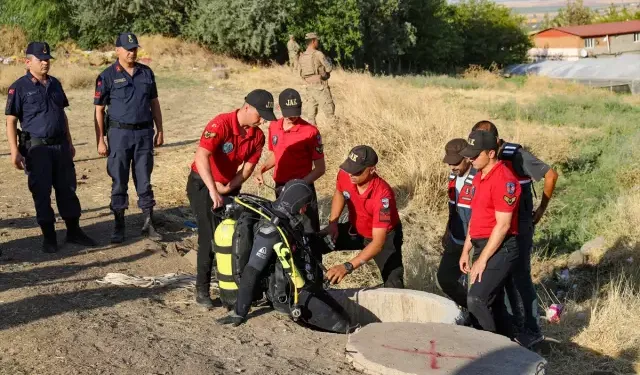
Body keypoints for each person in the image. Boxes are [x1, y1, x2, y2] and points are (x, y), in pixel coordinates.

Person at [216, 180, 351, 333]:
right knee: (343, 324)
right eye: (304, 205)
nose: (305, 209)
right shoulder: (271, 231)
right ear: (295, 204)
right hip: (285, 297)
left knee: (342, 316)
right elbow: (252, 270)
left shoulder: (286, 218)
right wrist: (239, 312)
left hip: (300, 285)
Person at [472, 120, 559, 347]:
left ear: (497, 143)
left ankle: (532, 328)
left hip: (518, 226)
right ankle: (514, 323)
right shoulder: (482, 162)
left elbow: (551, 174)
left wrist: (541, 208)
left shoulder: (516, 155)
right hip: (499, 226)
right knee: (503, 277)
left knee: (520, 276)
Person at [186, 89, 274, 308]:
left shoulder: (257, 136)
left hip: (227, 187)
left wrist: (227, 189)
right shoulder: (221, 124)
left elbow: (247, 170)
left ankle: (233, 287)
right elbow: (201, 156)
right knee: (209, 237)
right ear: (247, 107)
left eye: (265, 116)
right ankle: (202, 290)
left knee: (235, 235)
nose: (262, 120)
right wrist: (213, 190)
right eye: (260, 114)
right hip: (202, 183)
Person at [5, 41, 96, 253]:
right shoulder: (18, 88)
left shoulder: (55, 83)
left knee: (68, 189)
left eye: (47, 59)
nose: (45, 63)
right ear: (28, 62)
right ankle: (49, 236)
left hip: (60, 146)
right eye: (41, 60)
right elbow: (11, 121)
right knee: (42, 192)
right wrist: (14, 151)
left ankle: (74, 230)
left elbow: (62, 115)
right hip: (38, 149)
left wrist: (70, 142)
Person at [94, 32, 165, 244]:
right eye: (127, 49)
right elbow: (99, 110)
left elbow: (154, 103)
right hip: (119, 134)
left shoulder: (146, 73)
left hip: (144, 134)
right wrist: (100, 139)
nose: (132, 52)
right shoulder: (106, 76)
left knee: (144, 179)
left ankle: (148, 223)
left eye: (134, 48)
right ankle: (119, 224)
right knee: (119, 181)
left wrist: (160, 129)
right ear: (117, 50)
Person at [458, 130, 521, 336]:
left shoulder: (504, 180)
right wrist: (466, 249)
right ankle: (510, 345)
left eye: (476, 155)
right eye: (470, 154)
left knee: (477, 300)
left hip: (501, 247)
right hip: (480, 243)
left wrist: (483, 259)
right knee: (493, 303)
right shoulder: (479, 175)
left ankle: (489, 348)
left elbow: (503, 225)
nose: (470, 158)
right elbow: (476, 217)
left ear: (491, 153)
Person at [324, 145, 404, 288]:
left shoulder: (383, 197)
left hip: (383, 238)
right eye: (349, 168)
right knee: (311, 242)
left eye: (357, 171)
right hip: (355, 229)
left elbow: (378, 243)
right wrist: (333, 223)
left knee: (394, 286)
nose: (351, 175)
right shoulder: (345, 174)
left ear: (372, 169)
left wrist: (347, 267)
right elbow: (339, 192)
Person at [255, 88, 325, 231]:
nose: (292, 117)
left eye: (295, 113)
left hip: (302, 189)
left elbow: (320, 168)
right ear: (279, 108)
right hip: (280, 187)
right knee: (285, 231)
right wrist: (260, 170)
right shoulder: (274, 126)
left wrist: (298, 186)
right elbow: (277, 154)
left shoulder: (310, 131)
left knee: (308, 233)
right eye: (288, 114)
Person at [437, 139, 476, 309]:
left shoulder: (479, 178)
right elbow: (452, 206)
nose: (452, 167)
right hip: (455, 238)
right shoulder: (453, 175)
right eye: (449, 163)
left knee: (477, 290)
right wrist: (447, 230)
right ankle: (470, 311)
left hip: (475, 243)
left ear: (467, 158)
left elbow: (479, 217)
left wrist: (468, 249)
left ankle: (482, 324)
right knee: (444, 279)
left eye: (456, 162)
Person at [298, 32, 335, 126]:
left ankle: (313, 137)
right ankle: (337, 135)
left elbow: (301, 74)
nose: (318, 42)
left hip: (308, 88)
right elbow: (329, 68)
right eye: (317, 40)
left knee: (311, 117)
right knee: (330, 114)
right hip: (320, 87)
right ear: (313, 41)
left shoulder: (302, 56)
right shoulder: (318, 54)